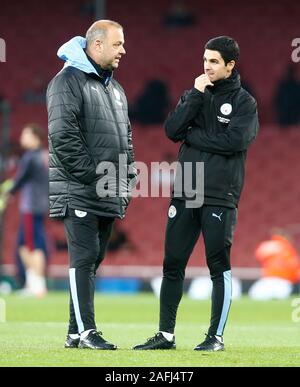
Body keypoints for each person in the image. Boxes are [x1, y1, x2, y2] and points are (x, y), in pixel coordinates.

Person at [133, 36, 259, 351]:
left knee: (219, 265)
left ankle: (214, 337)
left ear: (230, 65)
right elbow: (172, 130)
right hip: (187, 187)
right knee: (172, 263)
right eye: (205, 59)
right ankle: (165, 335)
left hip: (219, 192)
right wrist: (194, 96)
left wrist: (195, 135)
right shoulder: (196, 96)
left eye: (214, 61)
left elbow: (234, 142)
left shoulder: (245, 103)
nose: (207, 66)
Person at [47, 20, 136, 350]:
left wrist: (125, 177)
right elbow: (62, 137)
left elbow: (125, 137)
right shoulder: (66, 82)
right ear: (96, 45)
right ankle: (87, 332)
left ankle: (74, 332)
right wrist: (96, 177)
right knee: (83, 258)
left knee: (93, 259)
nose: (123, 50)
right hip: (80, 188)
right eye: (118, 44)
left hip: (106, 191)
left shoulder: (115, 88)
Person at [2, 124, 49, 297]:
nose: (22, 138)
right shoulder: (45, 155)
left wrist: (7, 193)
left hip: (31, 205)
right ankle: (32, 282)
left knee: (32, 245)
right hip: (40, 204)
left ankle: (38, 285)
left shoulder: (30, 157)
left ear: (36, 137)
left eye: (26, 134)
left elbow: (19, 179)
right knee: (23, 244)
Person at [249, 231, 300, 300]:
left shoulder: (287, 250)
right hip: (275, 281)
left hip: (280, 282)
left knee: (256, 296)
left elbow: (259, 254)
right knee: (256, 295)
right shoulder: (289, 251)